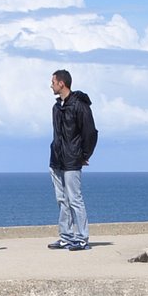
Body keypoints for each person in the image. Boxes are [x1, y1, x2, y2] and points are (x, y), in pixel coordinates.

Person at [48, 69, 98, 252]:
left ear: (62, 83)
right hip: (56, 160)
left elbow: (90, 133)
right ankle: (66, 236)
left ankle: (82, 237)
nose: (51, 85)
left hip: (72, 160)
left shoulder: (79, 105)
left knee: (75, 199)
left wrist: (84, 155)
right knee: (62, 199)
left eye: (53, 82)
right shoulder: (56, 107)